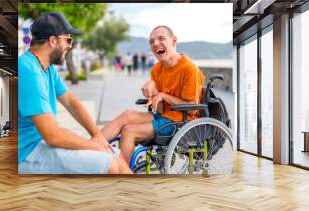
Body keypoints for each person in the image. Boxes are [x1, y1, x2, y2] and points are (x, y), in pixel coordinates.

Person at [18, 12, 131, 174]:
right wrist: (95, 146)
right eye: (68, 40)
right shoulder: (28, 70)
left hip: (42, 144)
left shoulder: (47, 67)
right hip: (27, 153)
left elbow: (71, 102)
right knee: (109, 163)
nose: (70, 45)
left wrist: (97, 135)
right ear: (53, 40)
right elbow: (52, 135)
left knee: (115, 155)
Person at [100, 25, 205, 164]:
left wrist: (163, 95)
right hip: (163, 116)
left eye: (161, 38)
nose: (155, 43)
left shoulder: (189, 69)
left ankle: (121, 173)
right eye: (151, 42)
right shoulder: (157, 69)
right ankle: (89, 147)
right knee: (127, 115)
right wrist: (154, 91)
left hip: (182, 122)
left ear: (174, 41)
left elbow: (193, 108)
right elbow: (161, 109)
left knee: (129, 131)